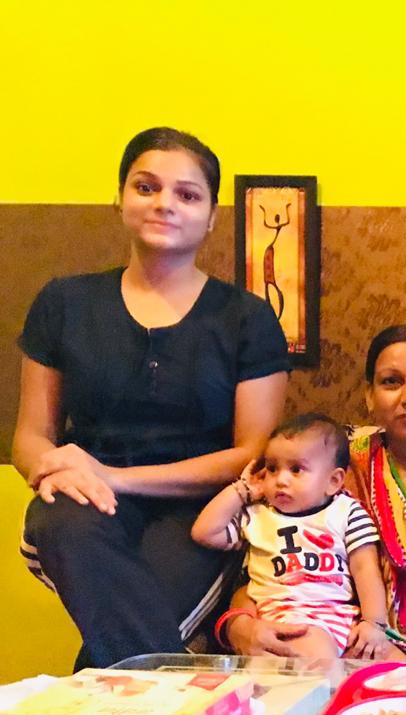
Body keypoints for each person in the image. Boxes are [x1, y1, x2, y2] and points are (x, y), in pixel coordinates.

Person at [14, 127, 289, 669]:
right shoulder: (64, 302)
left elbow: (250, 454)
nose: (165, 204)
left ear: (211, 216)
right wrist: (51, 468)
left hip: (201, 510)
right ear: (118, 199)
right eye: (147, 187)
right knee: (56, 521)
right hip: (89, 503)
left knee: (122, 634)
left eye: (187, 195)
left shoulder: (246, 319)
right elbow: (30, 435)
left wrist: (117, 477)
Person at [225, 325, 406, 659]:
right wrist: (239, 625)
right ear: (369, 395)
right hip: (353, 652)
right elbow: (265, 563)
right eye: (391, 381)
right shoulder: (330, 466)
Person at [192, 414, 388, 658]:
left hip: (335, 617)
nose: (280, 480)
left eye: (296, 469)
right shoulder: (258, 516)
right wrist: (243, 490)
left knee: (403, 671)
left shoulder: (346, 512)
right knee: (308, 664)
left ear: (333, 481)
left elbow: (365, 569)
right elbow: (204, 532)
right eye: (272, 468)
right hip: (279, 617)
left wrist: (375, 623)